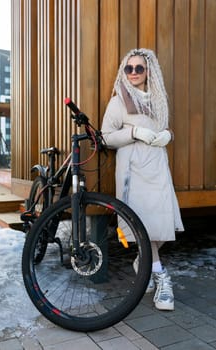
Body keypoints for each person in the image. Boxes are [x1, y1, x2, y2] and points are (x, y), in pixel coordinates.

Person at [101, 48, 184, 311]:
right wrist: (134, 132)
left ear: (149, 71)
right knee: (143, 223)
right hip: (133, 172)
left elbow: (163, 128)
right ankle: (160, 277)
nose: (134, 73)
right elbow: (106, 136)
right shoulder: (118, 101)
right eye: (129, 68)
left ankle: (144, 261)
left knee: (158, 222)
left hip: (157, 167)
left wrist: (168, 135)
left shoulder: (158, 100)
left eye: (139, 68)